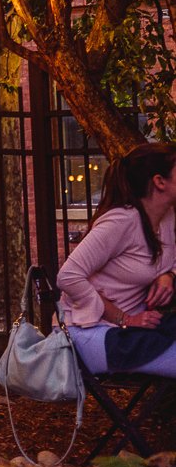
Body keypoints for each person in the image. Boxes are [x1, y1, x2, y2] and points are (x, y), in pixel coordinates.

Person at [58, 142, 176, 377]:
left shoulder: (167, 216)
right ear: (159, 181)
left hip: (140, 330)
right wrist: (124, 318)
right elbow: (67, 276)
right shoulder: (121, 221)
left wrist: (168, 275)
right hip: (94, 334)